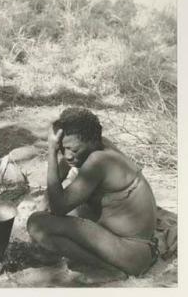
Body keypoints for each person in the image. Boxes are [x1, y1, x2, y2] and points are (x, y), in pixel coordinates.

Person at [27, 108, 158, 276]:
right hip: (133, 246)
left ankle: (110, 270)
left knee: (36, 224)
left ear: (92, 142)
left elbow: (59, 208)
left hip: (130, 252)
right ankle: (107, 264)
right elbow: (65, 167)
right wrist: (43, 202)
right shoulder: (96, 145)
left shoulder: (99, 161)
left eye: (73, 150)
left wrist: (52, 152)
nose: (67, 155)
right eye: (62, 149)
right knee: (66, 212)